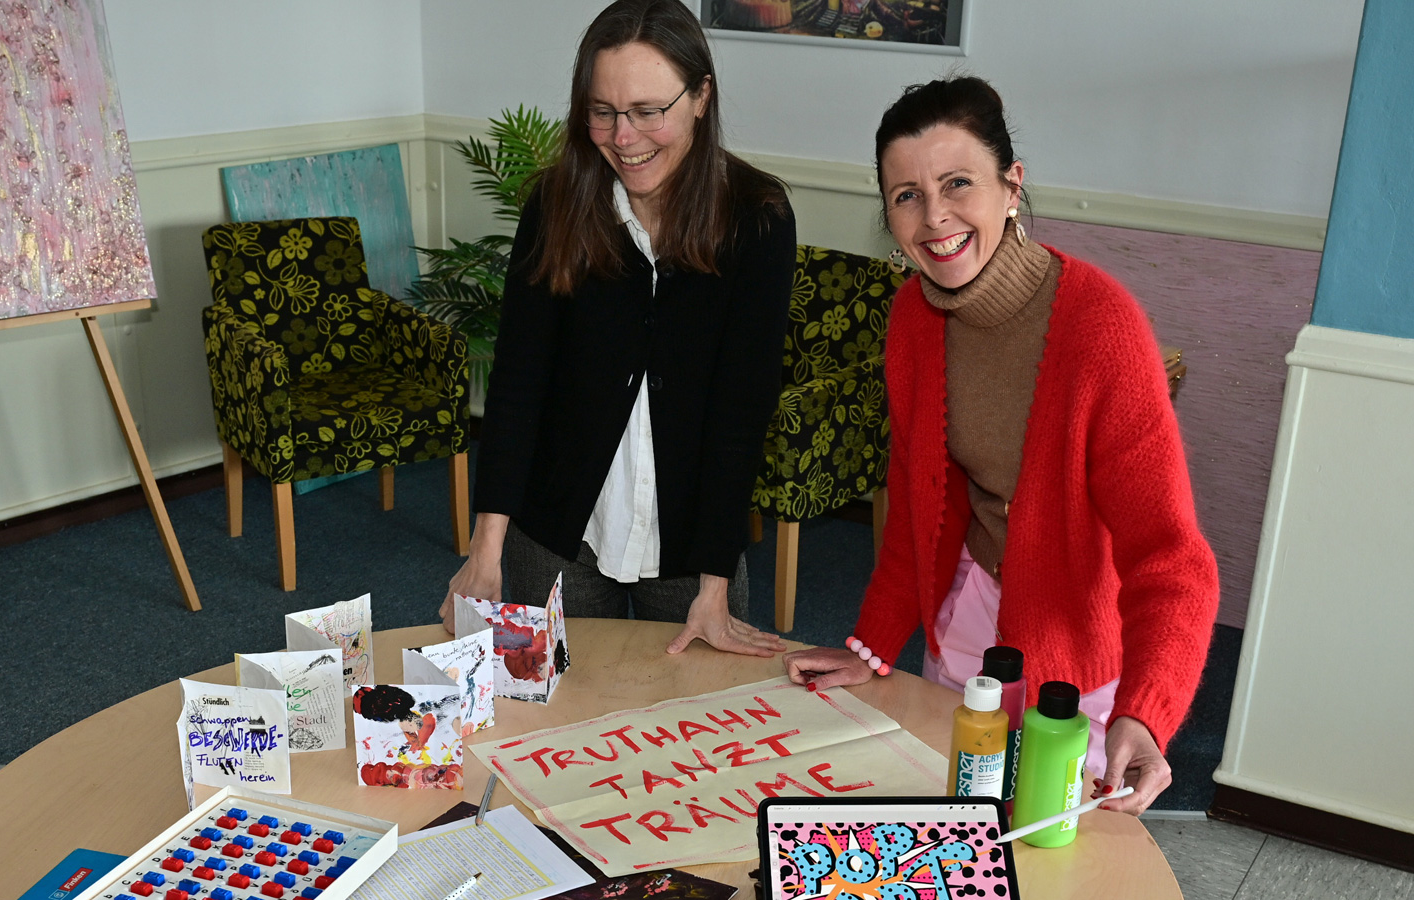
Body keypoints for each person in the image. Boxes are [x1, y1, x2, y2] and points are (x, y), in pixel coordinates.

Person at [783, 76, 1219, 815]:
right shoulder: (912, 318)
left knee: (1055, 843)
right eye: (907, 195)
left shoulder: (1101, 329)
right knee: (955, 816)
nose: (934, 216)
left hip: (1075, 647)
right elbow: (918, 507)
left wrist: (1146, 714)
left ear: (1012, 185)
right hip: (966, 615)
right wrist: (870, 644)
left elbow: (1172, 559)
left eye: (958, 183)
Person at [437, 0, 795, 659]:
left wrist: (716, 583)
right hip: (559, 535)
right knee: (552, 709)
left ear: (701, 97)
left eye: (648, 111)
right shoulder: (556, 205)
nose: (623, 138)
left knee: (695, 716)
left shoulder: (756, 217)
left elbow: (741, 412)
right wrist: (485, 551)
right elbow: (518, 383)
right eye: (602, 112)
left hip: (692, 548)